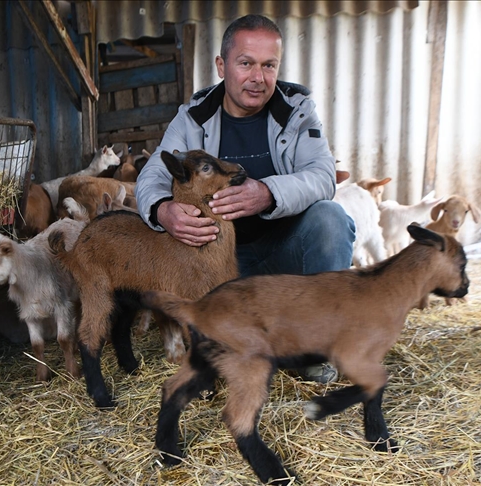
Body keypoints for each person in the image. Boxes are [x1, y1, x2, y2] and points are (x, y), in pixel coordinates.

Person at [135, 14, 355, 383]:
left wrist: (268, 193)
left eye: (269, 65)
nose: (258, 77)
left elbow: (322, 176)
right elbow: (153, 175)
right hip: (217, 263)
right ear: (222, 65)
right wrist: (162, 210)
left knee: (331, 219)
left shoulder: (297, 109)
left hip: (284, 253)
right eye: (246, 63)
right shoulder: (194, 116)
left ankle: (315, 349)